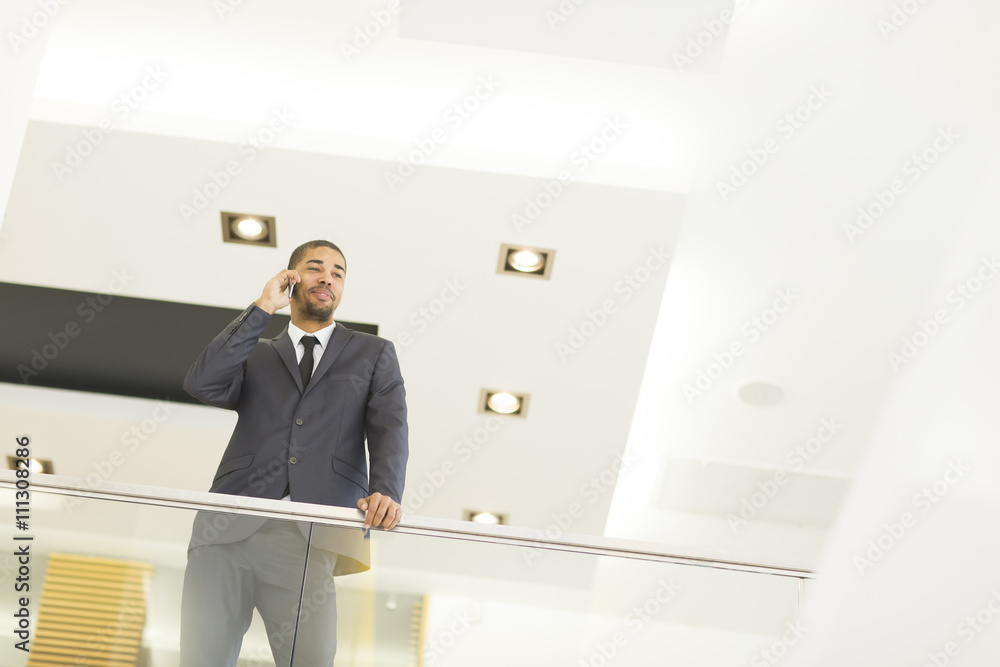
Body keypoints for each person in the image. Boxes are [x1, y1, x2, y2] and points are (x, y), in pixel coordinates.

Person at [179, 240, 408, 666]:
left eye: (338, 273)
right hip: (225, 531)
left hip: (309, 537)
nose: (327, 278)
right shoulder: (256, 353)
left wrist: (387, 490)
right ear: (291, 278)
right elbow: (203, 382)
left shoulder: (373, 352)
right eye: (315, 268)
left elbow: (389, 426)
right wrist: (263, 306)